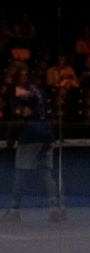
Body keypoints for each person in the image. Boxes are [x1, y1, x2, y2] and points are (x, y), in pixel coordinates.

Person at [2, 68, 65, 223]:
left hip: (31, 135)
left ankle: (15, 211)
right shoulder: (39, 90)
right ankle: (53, 209)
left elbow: (22, 113)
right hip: (46, 134)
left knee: (20, 173)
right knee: (46, 173)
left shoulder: (19, 90)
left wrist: (10, 139)